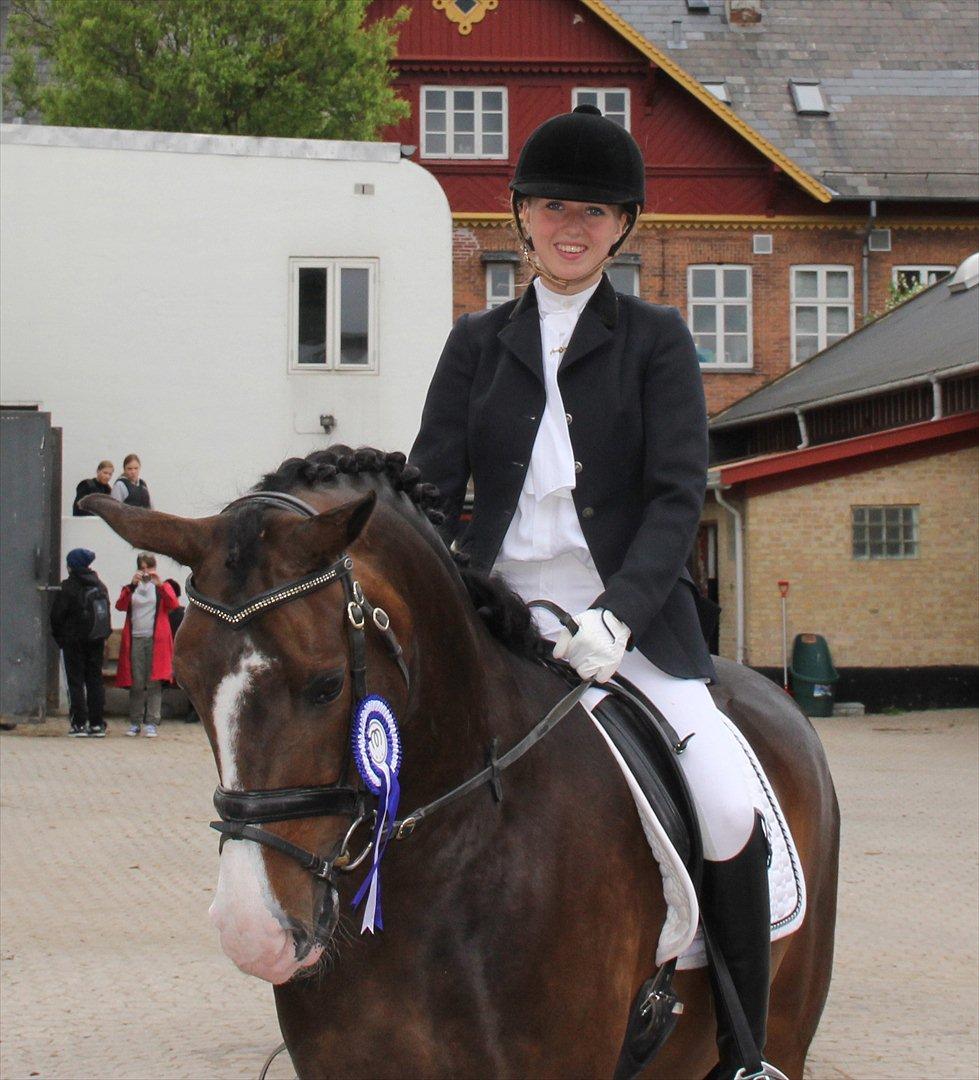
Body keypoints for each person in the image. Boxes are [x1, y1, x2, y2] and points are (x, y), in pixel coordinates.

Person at [410, 105, 779, 1080]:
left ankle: (745, 1051)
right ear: (520, 215)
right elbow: (432, 492)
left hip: (632, 628)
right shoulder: (474, 345)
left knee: (727, 801)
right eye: (552, 206)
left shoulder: (658, 340)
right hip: (495, 622)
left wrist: (615, 614)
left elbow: (671, 499)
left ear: (623, 227)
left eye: (595, 211)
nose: (571, 226)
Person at [49, 548, 111, 736]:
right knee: (95, 680)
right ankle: (97, 724)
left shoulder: (68, 587)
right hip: (96, 640)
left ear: (72, 566)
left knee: (75, 682)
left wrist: (60, 638)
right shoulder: (99, 585)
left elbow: (56, 616)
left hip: (73, 641)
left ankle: (78, 724)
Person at [115, 553, 176, 738]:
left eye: (149, 568)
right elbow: (120, 605)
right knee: (136, 682)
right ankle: (135, 722)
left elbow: (173, 603)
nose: (146, 572)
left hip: (156, 640)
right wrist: (132, 585)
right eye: (142, 568)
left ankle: (152, 722)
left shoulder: (161, 587)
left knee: (154, 682)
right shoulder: (131, 589)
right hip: (135, 638)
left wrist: (161, 584)